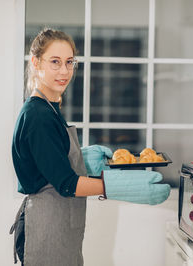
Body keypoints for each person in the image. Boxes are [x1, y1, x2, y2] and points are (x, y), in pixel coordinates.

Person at [9, 28, 170, 266]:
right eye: (55, 62)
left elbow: (47, 163)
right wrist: (116, 186)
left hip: (59, 226)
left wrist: (82, 159)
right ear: (36, 62)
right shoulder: (38, 115)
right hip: (46, 230)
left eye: (69, 62)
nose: (64, 71)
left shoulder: (50, 109)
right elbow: (66, 184)